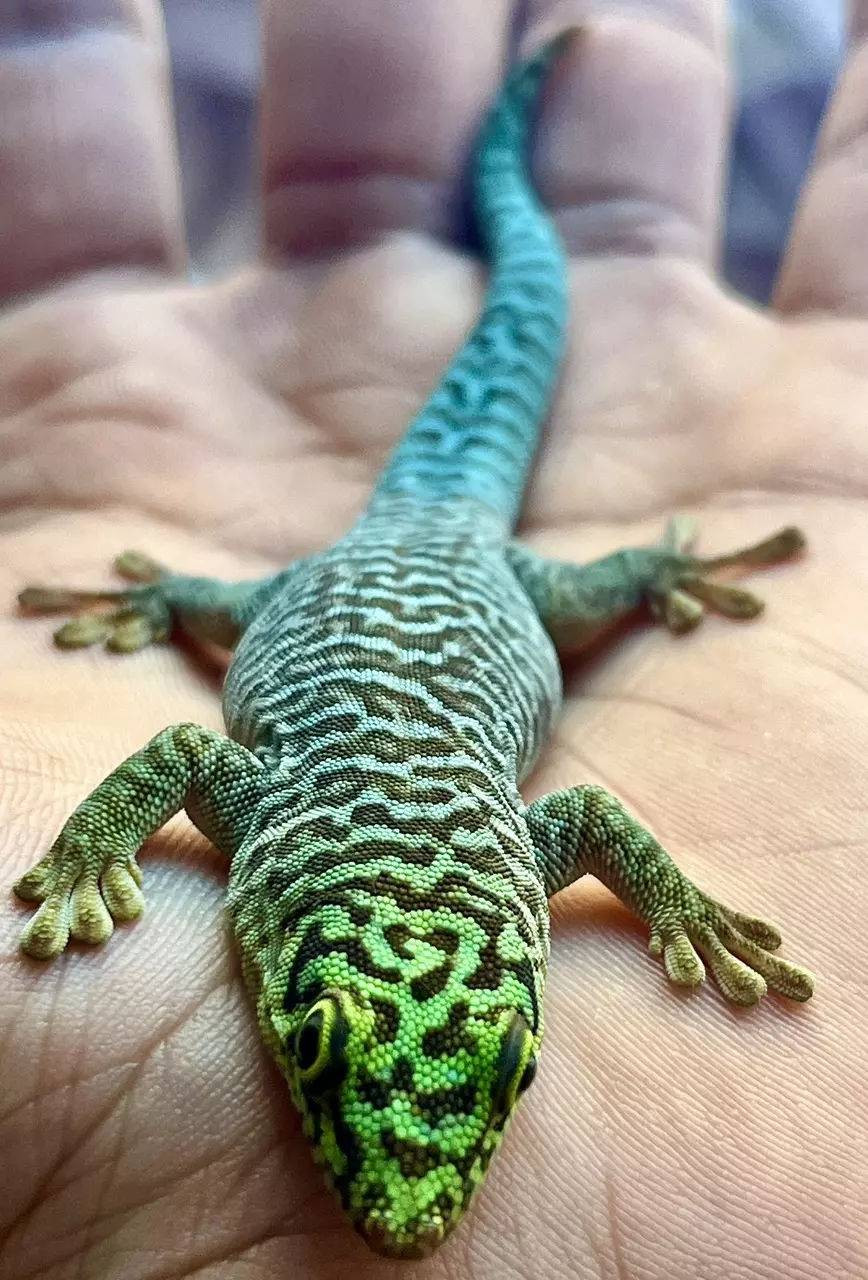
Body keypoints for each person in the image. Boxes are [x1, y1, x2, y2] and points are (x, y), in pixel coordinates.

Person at [0, 2, 864, 1277]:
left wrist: (90, 863)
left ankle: (512, 184)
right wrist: (673, 907)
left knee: (526, 381)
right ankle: (506, 186)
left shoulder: (293, 817)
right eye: (332, 1044)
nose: (411, 1195)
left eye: (502, 1065)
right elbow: (590, 827)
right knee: (516, 523)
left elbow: (190, 748)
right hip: (397, 578)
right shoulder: (469, 839)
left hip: (407, 572)